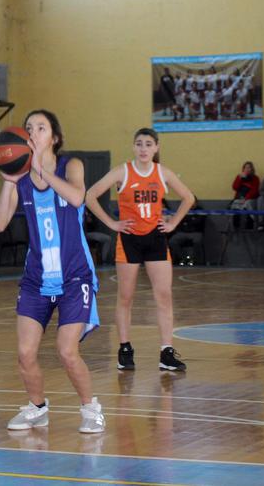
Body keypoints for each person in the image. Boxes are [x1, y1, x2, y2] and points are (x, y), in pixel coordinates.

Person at [0, 109, 104, 433]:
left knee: (67, 351)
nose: (34, 133)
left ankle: (90, 408)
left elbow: (77, 195)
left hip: (75, 277)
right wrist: (10, 183)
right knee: (25, 353)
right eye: (29, 128)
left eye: (41, 128)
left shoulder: (72, 165)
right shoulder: (22, 179)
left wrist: (43, 170)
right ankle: (37, 408)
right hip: (37, 279)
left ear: (54, 137)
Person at [85, 127, 195, 372]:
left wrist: (173, 222)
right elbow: (90, 195)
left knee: (164, 296)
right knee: (126, 297)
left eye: (148, 144)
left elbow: (188, 197)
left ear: (156, 147)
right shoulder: (122, 171)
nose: (143, 148)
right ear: (133, 147)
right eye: (139, 144)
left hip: (155, 238)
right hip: (129, 240)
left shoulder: (162, 172)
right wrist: (112, 223)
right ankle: (125, 348)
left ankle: (166, 352)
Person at [231, 161, 260, 229]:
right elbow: (235, 187)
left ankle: (249, 227)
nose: (247, 169)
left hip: (250, 199)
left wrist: (245, 198)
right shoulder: (239, 177)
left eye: (249, 167)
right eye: (245, 167)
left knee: (248, 205)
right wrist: (239, 179)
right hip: (239, 198)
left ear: (252, 169)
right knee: (236, 205)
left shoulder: (255, 178)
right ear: (243, 169)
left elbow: (254, 191)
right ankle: (236, 227)